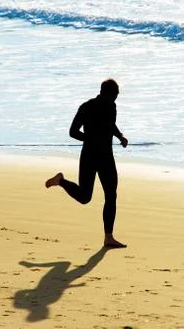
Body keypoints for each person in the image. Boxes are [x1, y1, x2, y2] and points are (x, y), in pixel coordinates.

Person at [45, 79, 128, 248]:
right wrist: (91, 139)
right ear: (106, 93)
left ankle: (108, 237)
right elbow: (72, 132)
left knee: (111, 195)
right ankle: (60, 181)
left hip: (106, 157)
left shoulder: (111, 107)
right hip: (89, 156)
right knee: (84, 198)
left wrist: (120, 136)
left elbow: (111, 124)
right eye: (114, 96)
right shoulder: (86, 107)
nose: (116, 99)